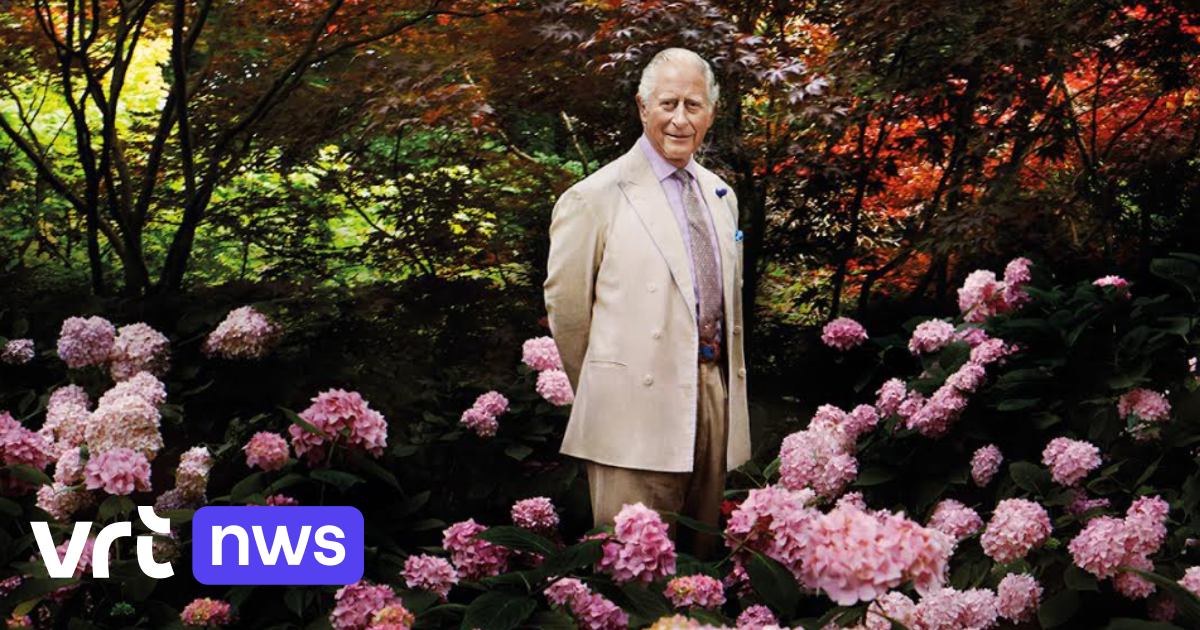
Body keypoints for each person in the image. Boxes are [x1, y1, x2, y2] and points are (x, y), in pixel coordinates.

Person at [543, 47, 751, 558]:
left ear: (711, 114)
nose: (680, 119)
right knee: (629, 569)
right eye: (668, 104)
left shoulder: (721, 194)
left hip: (711, 396)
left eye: (694, 105)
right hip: (630, 409)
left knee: (700, 566)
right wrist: (609, 382)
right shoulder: (594, 198)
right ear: (642, 107)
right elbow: (568, 316)